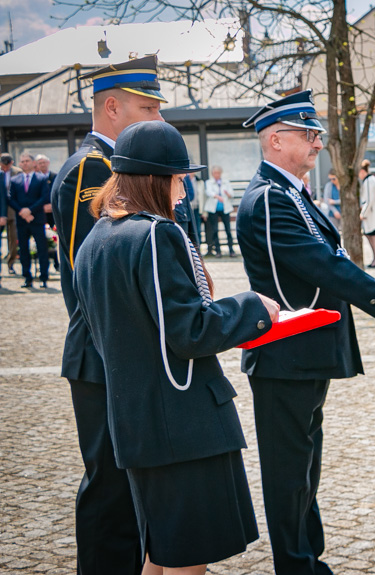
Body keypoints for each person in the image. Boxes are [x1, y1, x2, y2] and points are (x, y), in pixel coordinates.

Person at [235, 90, 375, 575]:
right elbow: (322, 264)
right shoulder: (268, 199)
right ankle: (296, 565)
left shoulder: (289, 193)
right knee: (288, 472)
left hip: (304, 353)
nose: (319, 142)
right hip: (285, 353)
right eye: (309, 133)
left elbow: (332, 260)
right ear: (276, 140)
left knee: (304, 467)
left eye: (317, 133)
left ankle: (308, 557)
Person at [74, 120, 279, 575]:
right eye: (180, 177)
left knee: (159, 554)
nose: (184, 188)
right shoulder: (156, 234)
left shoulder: (94, 241)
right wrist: (254, 308)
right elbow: (189, 331)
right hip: (183, 424)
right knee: (187, 561)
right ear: (156, 179)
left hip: (136, 424)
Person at [51, 55, 166, 575]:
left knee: (127, 489)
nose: (158, 121)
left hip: (114, 356)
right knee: (111, 495)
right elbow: (91, 275)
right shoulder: (96, 169)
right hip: (103, 357)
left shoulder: (118, 165)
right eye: (147, 109)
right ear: (112, 107)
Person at [8, 152, 50, 288]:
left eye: (27, 161)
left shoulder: (41, 179)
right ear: (19, 164)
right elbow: (10, 199)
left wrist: (30, 211)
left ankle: (43, 277)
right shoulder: (15, 181)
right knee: (24, 250)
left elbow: (44, 197)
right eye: (22, 161)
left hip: (36, 218)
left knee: (42, 248)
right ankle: (27, 277)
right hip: (21, 220)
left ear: (33, 163)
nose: (25, 163)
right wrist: (22, 212)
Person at [204, 166, 236, 257]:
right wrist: (217, 196)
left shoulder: (226, 182)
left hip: (225, 209)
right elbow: (209, 192)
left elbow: (232, 194)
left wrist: (227, 194)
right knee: (215, 230)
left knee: (228, 230)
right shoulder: (209, 182)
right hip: (213, 210)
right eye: (215, 173)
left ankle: (231, 250)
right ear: (212, 173)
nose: (216, 175)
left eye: (218, 173)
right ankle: (218, 251)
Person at [2, 152, 22, 275]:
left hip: (13, 210)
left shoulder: (18, 172)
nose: (5, 168)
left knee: (13, 239)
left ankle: (11, 263)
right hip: (1, 210)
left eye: (7, 166)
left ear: (11, 163)